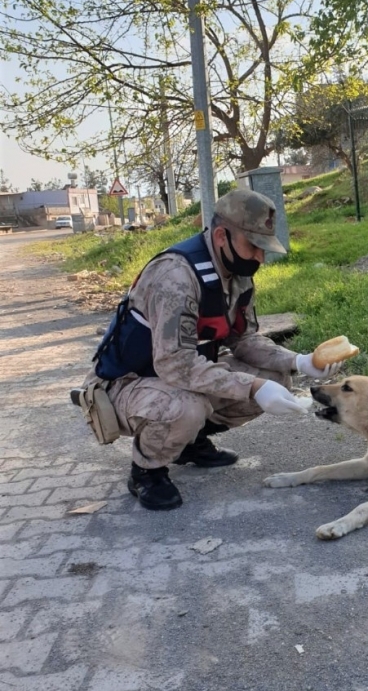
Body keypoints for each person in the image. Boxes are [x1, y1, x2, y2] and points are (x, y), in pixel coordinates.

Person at [82, 189, 342, 511]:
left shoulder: (238, 275)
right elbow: (175, 363)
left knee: (275, 376)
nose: (261, 258)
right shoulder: (176, 277)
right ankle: (146, 470)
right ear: (221, 236)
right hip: (126, 383)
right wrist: (253, 387)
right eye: (254, 247)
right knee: (187, 407)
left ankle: (187, 444)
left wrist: (299, 362)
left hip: (178, 376)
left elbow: (244, 340)